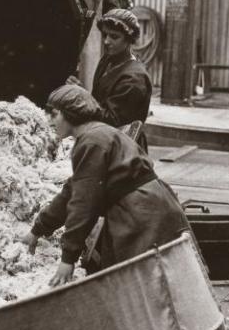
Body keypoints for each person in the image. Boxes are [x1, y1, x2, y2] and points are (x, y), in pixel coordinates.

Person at [19, 85, 191, 287]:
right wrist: (37, 230)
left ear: (70, 114)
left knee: (145, 284)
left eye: (54, 115)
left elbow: (84, 204)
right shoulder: (96, 135)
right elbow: (72, 191)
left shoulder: (92, 141)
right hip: (149, 204)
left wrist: (68, 258)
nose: (49, 121)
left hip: (143, 213)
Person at [90, 8, 153, 129]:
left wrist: (82, 99)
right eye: (104, 35)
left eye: (114, 37)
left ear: (129, 39)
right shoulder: (107, 60)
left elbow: (113, 119)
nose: (106, 41)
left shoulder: (134, 78)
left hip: (121, 142)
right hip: (100, 132)